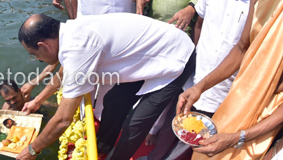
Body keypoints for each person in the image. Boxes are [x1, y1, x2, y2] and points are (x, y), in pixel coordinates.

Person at [178, 0, 283, 160]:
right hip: (241, 100)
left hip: (271, 120)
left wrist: (240, 137)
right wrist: (200, 86)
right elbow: (242, 47)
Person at [142, 0, 254, 160]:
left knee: (204, 147)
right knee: (176, 133)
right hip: (198, 78)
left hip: (229, 89)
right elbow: (201, 22)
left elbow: (245, 47)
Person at [15, 13, 195, 160]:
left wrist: (32, 150)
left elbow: (63, 119)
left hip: (175, 56)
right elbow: (63, 74)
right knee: (114, 99)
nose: (37, 59)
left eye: (33, 54)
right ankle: (102, 146)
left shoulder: (78, 47)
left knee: (136, 123)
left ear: (43, 46)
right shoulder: (70, 32)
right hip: (148, 54)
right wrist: (37, 100)